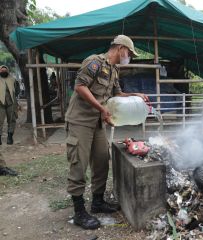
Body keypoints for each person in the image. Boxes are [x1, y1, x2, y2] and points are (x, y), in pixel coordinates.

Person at [65, 35, 148, 230]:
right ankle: (79, 212)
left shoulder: (113, 69)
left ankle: (97, 201)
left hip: (97, 123)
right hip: (81, 121)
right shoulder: (94, 62)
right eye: (129, 53)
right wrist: (102, 109)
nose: (129, 57)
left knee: (102, 161)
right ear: (120, 49)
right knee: (79, 164)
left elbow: (117, 94)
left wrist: (136, 95)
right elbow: (79, 86)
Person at [0, 65, 19, 145]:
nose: (4, 72)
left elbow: (17, 90)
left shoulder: (13, 80)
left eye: (5, 70)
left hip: (11, 103)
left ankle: (10, 137)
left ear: (7, 71)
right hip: (0, 104)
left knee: (11, 120)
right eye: (2, 71)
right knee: (0, 121)